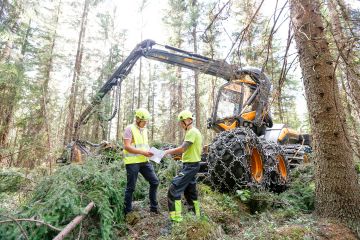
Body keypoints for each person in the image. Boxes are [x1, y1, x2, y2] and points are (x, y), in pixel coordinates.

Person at [164, 110, 202, 222]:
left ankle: (176, 220)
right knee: (190, 191)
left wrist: (167, 152)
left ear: (188, 120)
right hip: (190, 165)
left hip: (190, 166)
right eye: (180, 122)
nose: (181, 124)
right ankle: (196, 216)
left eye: (182, 121)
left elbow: (182, 149)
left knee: (174, 189)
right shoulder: (192, 132)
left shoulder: (192, 132)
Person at [123, 108, 159, 215]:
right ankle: (127, 211)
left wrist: (151, 152)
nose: (146, 123)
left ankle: (153, 208)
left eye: (147, 121)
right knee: (131, 187)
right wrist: (143, 152)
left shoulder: (145, 130)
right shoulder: (129, 129)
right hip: (132, 162)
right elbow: (127, 147)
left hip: (144, 161)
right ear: (138, 119)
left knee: (154, 182)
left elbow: (144, 146)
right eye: (144, 121)